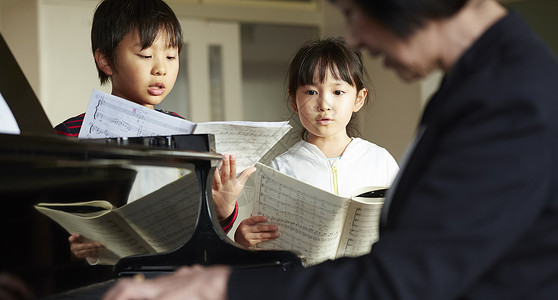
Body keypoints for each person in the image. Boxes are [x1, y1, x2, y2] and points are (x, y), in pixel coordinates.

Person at [102, 0, 558, 299]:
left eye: (352, 9)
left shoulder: (510, 97)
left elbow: (409, 278)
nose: (355, 35)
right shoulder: (486, 81)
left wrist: (217, 287)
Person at [54, 0, 253, 264]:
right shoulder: (69, 136)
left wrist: (221, 211)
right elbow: (46, 229)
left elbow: (202, 238)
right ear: (105, 60)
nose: (161, 68)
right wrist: (73, 246)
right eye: (146, 55)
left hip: (174, 278)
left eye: (171, 56)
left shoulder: (186, 131)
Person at [234, 37, 399, 248]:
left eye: (338, 92)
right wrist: (244, 240)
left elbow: (406, 226)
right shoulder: (280, 170)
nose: (324, 104)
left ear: (358, 98)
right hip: (308, 279)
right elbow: (265, 244)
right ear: (294, 100)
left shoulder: (380, 161)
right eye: (311, 92)